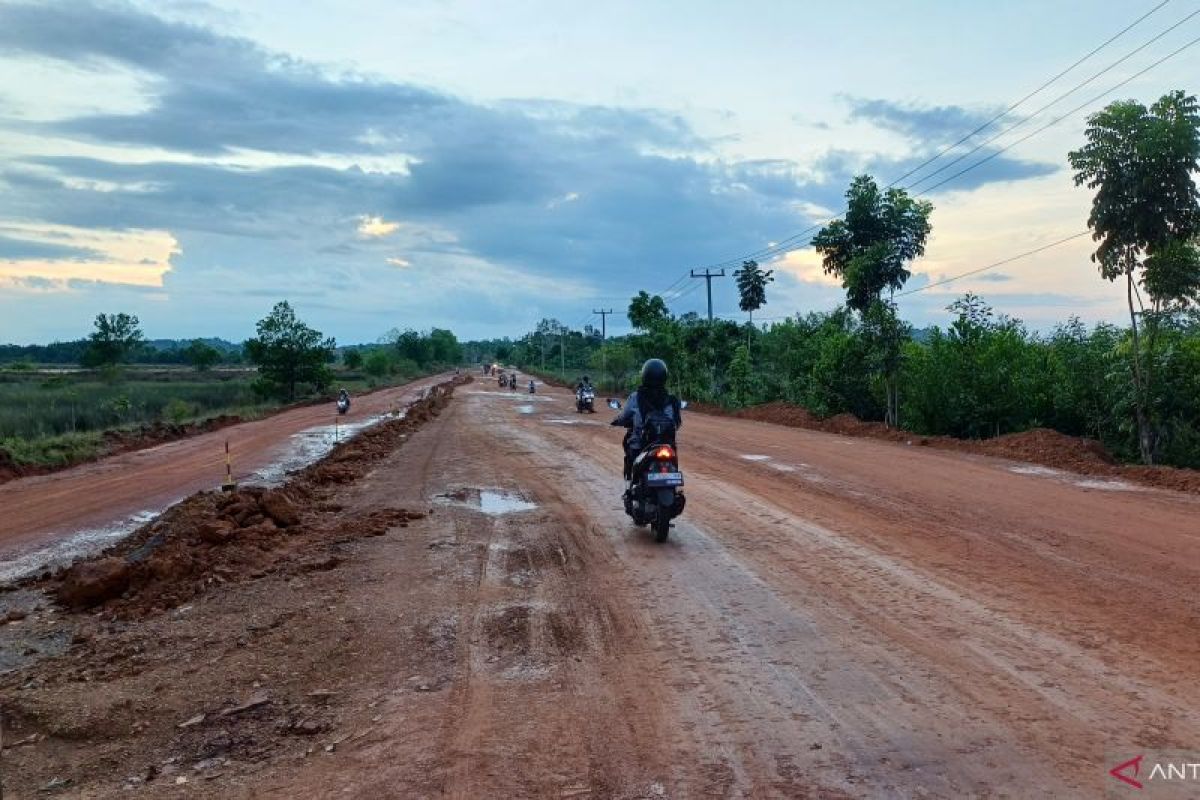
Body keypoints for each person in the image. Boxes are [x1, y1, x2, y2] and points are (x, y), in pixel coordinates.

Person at [611, 358, 682, 484]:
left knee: (629, 450)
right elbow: (676, 423)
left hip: (641, 445)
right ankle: (672, 481)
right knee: (673, 457)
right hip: (667, 444)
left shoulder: (636, 397)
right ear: (664, 377)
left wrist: (617, 421)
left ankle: (631, 483)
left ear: (645, 375)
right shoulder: (671, 400)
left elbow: (624, 417)